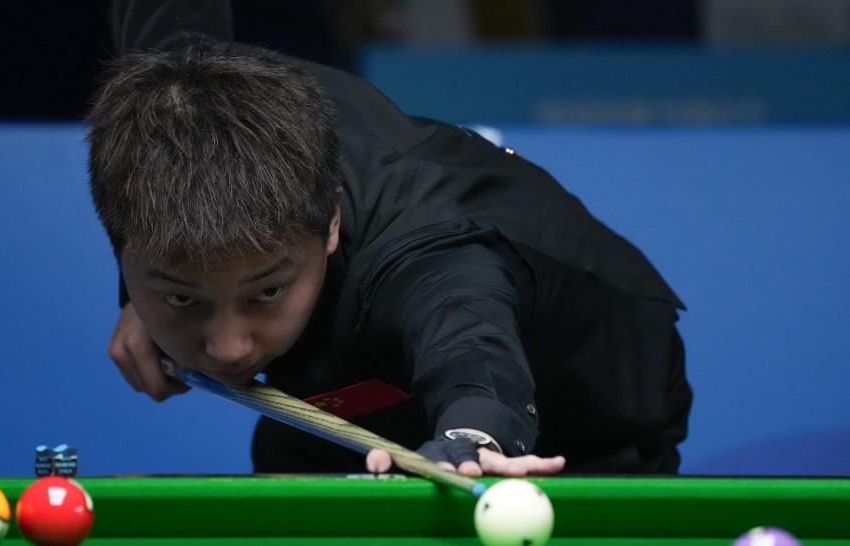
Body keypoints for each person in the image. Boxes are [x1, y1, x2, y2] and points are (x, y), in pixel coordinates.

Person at [90, 0, 693, 478]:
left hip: (582, 396)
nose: (228, 350)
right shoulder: (160, 106)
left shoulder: (430, 249)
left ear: (330, 221)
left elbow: (469, 340)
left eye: (265, 292)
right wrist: (149, 296)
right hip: (352, 387)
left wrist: (474, 436)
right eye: (184, 296)